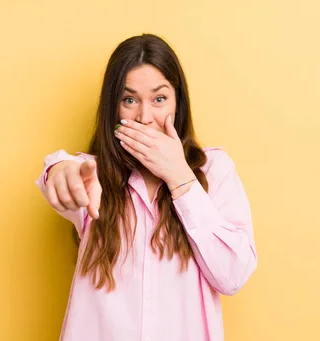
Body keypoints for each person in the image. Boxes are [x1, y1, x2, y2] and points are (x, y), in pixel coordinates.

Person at [35, 33, 258, 341]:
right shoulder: (94, 175)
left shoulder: (214, 171)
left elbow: (233, 276)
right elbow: (62, 176)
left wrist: (181, 178)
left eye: (159, 99)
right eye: (129, 100)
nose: (144, 117)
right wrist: (58, 170)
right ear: (113, 108)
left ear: (178, 103)